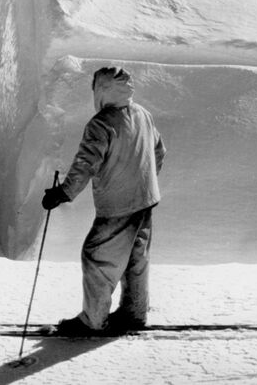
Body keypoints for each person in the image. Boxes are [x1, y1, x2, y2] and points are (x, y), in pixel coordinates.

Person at [42, 66, 166, 336]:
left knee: (97, 258)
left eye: (96, 87)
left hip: (118, 206)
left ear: (104, 90)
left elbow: (86, 164)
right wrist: (141, 179)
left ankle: (93, 321)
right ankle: (134, 314)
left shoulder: (102, 123)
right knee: (135, 259)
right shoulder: (143, 114)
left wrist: (63, 193)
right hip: (145, 201)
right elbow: (159, 151)